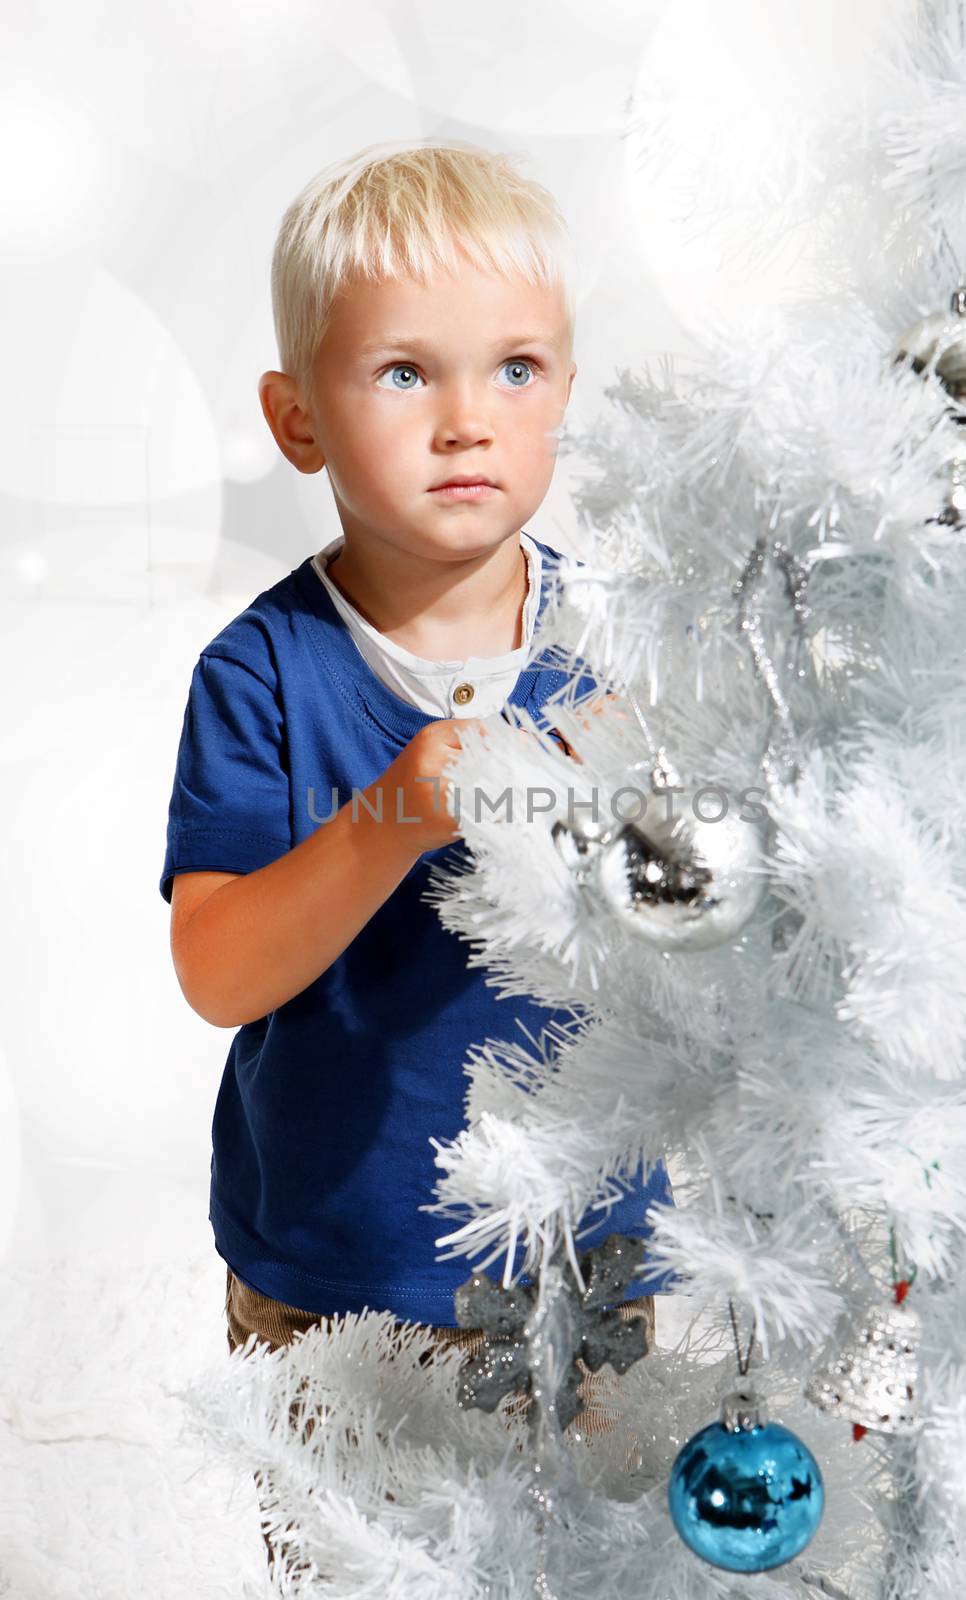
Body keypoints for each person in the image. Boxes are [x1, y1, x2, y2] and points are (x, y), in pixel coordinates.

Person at [159, 137, 675, 1572]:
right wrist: (393, 815)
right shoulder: (262, 671)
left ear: (565, 390)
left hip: (586, 1262)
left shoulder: (625, 658)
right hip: (335, 1274)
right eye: (405, 373)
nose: (468, 421)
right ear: (296, 416)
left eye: (515, 368)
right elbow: (218, 969)